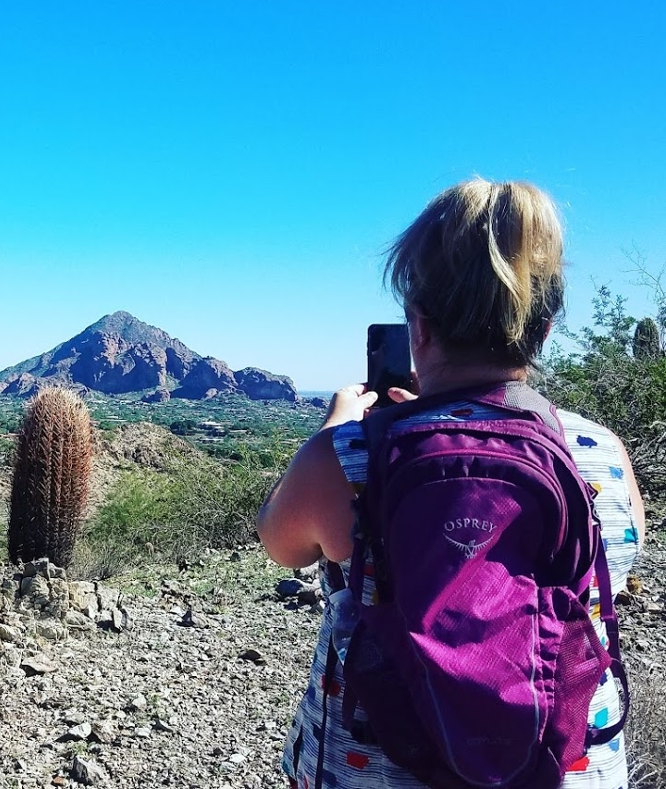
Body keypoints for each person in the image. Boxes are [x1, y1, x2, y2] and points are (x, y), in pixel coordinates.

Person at [257, 179, 646, 788]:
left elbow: (279, 541)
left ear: (419, 327)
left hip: (376, 767)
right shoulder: (603, 456)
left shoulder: (350, 454)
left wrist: (335, 434)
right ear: (543, 330)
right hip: (562, 767)